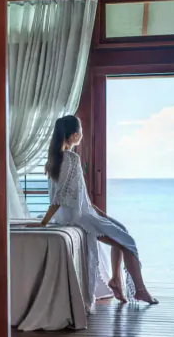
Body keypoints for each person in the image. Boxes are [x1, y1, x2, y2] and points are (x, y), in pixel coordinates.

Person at [28, 115, 158, 305]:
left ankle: (116, 280)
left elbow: (81, 198)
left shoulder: (53, 160)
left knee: (121, 229)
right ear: (74, 135)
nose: (81, 135)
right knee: (128, 242)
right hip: (78, 218)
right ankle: (140, 291)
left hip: (77, 213)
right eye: (80, 132)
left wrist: (103, 215)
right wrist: (43, 223)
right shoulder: (71, 159)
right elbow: (60, 197)